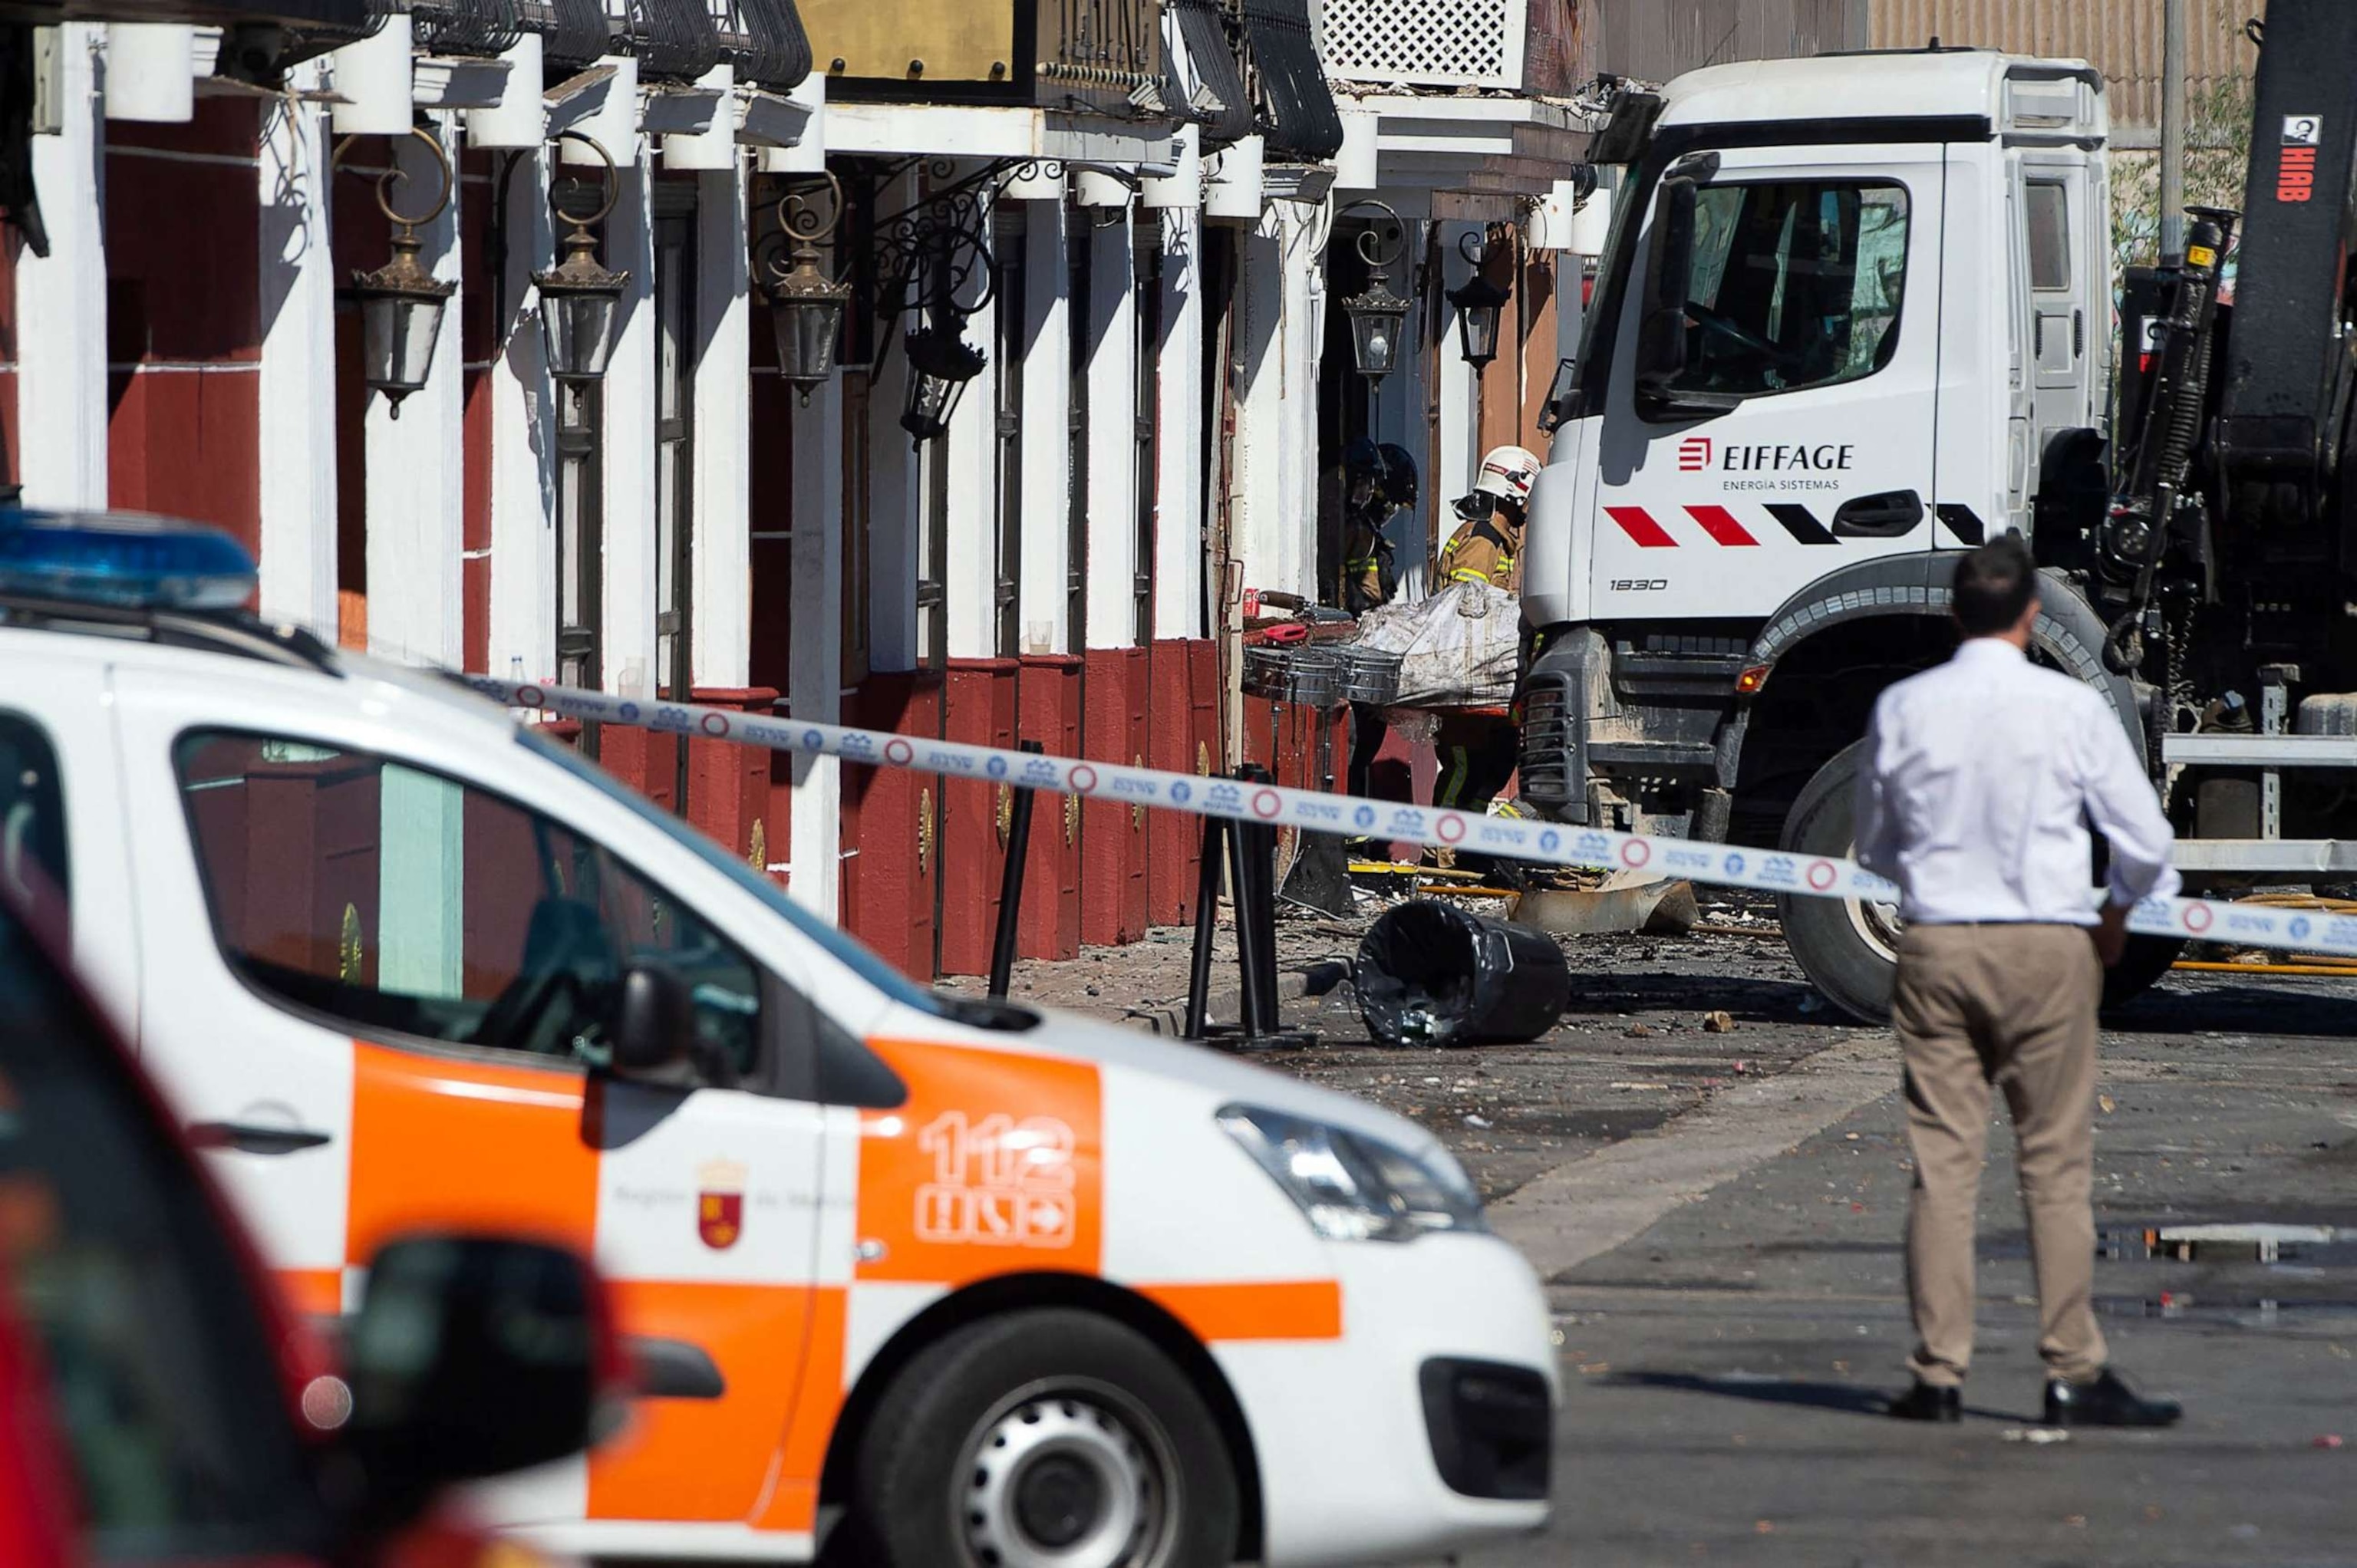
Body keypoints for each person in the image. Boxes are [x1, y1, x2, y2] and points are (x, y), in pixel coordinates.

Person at [1857, 535, 2184, 1428]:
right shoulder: (2070, 710)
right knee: (2054, 1166)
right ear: (2033, 615)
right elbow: (2148, 844)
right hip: (2047, 946)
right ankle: (2073, 1367)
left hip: (1939, 947)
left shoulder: (1905, 706)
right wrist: (2115, 913)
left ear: (1957, 614)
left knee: (1943, 1166)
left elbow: (1878, 842)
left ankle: (1937, 1375)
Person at [1431, 446, 1541, 820]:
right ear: (1516, 489)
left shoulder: (1498, 538)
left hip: (1485, 673)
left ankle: (1469, 840)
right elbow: (1465, 607)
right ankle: (1439, 844)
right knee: (1465, 763)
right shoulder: (1483, 540)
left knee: (1497, 758)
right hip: (1466, 673)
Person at [1339, 440, 1419, 821]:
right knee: (1355, 743)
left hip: (1366, 649)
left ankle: (1354, 831)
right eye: (1390, 503)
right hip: (1353, 646)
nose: (1389, 512)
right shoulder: (1358, 532)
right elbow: (1364, 595)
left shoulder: (1369, 533)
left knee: (1365, 742)